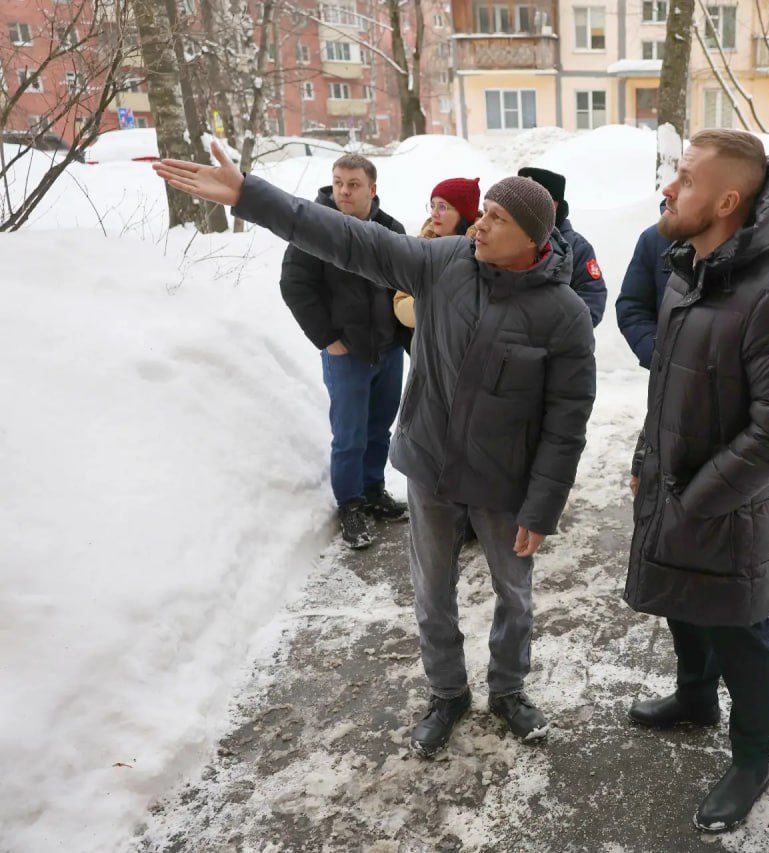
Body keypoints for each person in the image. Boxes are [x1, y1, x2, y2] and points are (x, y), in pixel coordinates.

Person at [155, 149, 597, 756]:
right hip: (433, 465)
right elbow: (347, 239)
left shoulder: (563, 313)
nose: (478, 225)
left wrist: (542, 507)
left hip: (506, 480)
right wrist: (248, 196)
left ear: (531, 239)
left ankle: (509, 689)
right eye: (483, 212)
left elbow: (566, 420)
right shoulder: (445, 264)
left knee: (514, 593)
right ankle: (447, 693)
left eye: (495, 218)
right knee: (432, 589)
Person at [624, 130, 769, 833]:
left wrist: (696, 500)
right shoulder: (688, 272)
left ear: (727, 200)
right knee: (684, 602)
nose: (669, 188)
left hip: (730, 513)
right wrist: (650, 463)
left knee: (741, 634)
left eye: (683, 177)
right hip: (677, 490)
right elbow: (668, 391)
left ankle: (751, 760)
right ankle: (694, 697)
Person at [279, 154, 409, 550]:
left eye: (353, 184)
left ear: (372, 188)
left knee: (379, 427)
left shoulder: (391, 229)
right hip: (346, 352)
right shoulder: (314, 228)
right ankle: (350, 504)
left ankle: (373, 489)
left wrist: (405, 340)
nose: (344, 191)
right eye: (338, 183)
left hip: (386, 351)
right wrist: (327, 339)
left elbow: (404, 286)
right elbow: (295, 286)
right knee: (349, 434)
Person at [393, 177, 482, 340]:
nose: (434, 213)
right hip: (427, 350)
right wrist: (433, 302)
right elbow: (400, 303)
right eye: (432, 205)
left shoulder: (482, 248)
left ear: (462, 213)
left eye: (443, 207)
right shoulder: (421, 246)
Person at [517, 167, 606, 327]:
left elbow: (592, 300)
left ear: (554, 204)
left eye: (531, 199)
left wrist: (555, 333)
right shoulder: (503, 237)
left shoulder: (578, 247)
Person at [614, 203, 674, 369]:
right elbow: (632, 307)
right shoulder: (654, 239)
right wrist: (657, 356)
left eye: (687, 181)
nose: (668, 191)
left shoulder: (746, 239)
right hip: (668, 382)